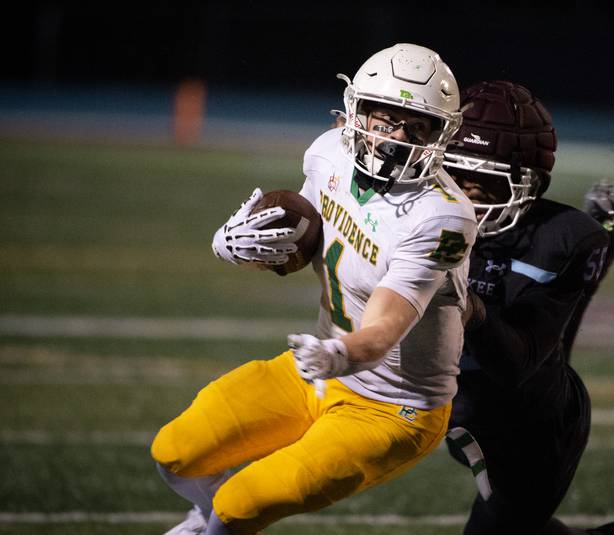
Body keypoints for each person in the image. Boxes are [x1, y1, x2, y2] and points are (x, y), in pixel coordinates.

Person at [150, 43, 477, 534]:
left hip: (393, 407)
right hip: (320, 372)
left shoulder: (442, 217)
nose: (396, 139)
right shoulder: (329, 152)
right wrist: (240, 245)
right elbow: (303, 237)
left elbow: (385, 326)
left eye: (417, 126)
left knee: (240, 505)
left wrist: (340, 354)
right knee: (173, 452)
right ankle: (202, 518)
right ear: (356, 111)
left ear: (440, 134)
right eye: (385, 119)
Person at [440, 80, 614, 535]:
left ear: (527, 182)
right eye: (454, 175)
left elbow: (523, 358)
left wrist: (469, 306)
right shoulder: (420, 211)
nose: (466, 196)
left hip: (527, 429)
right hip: (456, 406)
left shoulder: (560, 238)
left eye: (486, 181)